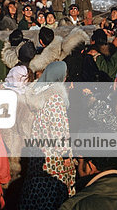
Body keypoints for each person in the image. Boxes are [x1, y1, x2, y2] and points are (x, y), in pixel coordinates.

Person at [20, 62, 76, 210]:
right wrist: (65, 155)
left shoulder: (38, 92)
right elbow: (60, 130)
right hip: (53, 157)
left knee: (38, 194)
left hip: (37, 152)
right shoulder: (56, 98)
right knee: (55, 197)